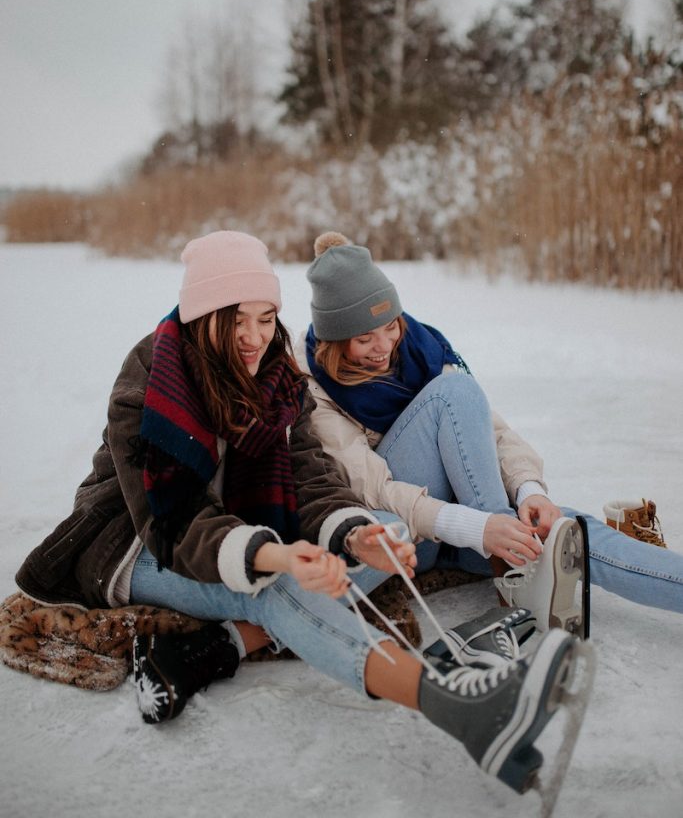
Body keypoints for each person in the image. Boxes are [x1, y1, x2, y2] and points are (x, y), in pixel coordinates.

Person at [13, 229, 583, 795]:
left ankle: (220, 645)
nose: (255, 336)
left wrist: (354, 538)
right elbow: (175, 520)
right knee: (275, 586)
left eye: (266, 317)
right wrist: (275, 554)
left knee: (384, 527)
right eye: (237, 320)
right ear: (203, 317)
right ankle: (461, 708)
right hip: (134, 543)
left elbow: (310, 475)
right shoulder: (151, 381)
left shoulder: (277, 375)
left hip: (235, 523)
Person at [296, 231, 683, 627]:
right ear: (335, 340)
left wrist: (528, 490)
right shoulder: (314, 385)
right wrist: (481, 525)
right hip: (408, 535)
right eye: (364, 339)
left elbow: (488, 431)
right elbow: (371, 487)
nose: (384, 346)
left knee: (566, 531)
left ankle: (518, 559)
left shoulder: (422, 349)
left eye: (390, 328)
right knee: (451, 394)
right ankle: (511, 564)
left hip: (473, 522)